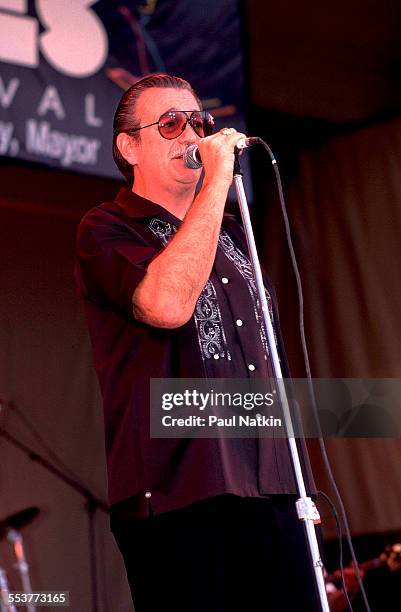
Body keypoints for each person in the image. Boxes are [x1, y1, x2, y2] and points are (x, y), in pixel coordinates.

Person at [75, 73, 321, 611]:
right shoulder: (108, 228)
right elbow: (166, 306)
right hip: (180, 495)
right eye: (170, 124)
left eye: (199, 122)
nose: (191, 134)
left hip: (275, 490)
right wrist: (216, 183)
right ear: (129, 146)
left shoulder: (235, 235)